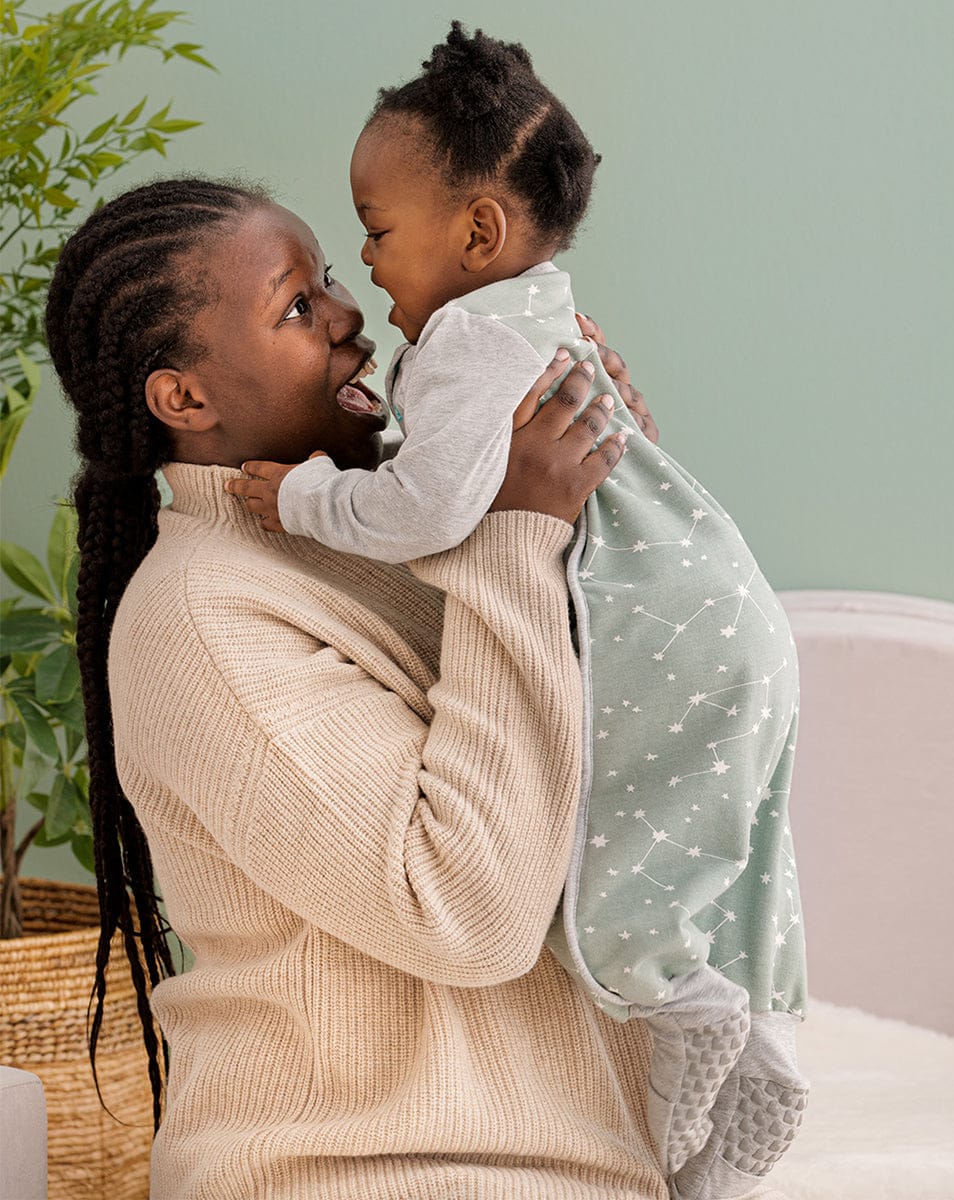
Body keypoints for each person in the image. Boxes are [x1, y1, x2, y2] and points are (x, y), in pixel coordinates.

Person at [227, 24, 808, 1198]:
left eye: (375, 231)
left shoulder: (466, 342)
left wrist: (300, 499)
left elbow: (427, 508)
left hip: (654, 626)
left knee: (602, 877)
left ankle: (685, 1013)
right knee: (700, 854)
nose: (365, 267)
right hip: (721, 607)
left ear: (477, 233)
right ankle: (751, 1042)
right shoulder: (540, 320)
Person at [45, 177, 680, 1199]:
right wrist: (520, 531)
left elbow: (587, 761)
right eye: (297, 306)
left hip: (568, 1169)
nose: (349, 314)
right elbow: (464, 914)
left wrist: (606, 479)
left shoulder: (412, 519)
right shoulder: (201, 619)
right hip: (361, 1172)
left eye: (332, 278)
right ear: (185, 400)